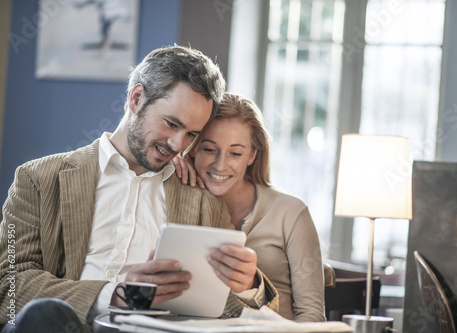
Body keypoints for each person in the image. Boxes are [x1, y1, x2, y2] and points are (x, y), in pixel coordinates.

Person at [0, 46, 278, 332]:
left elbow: (225, 309)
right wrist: (119, 295)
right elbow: (8, 287)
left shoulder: (202, 199)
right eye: (171, 124)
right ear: (136, 98)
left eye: (192, 134)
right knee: (44, 315)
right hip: (64, 325)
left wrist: (247, 286)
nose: (178, 145)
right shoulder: (39, 179)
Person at [172, 93, 325, 322]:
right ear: (193, 148)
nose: (220, 165)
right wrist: (165, 168)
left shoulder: (291, 213)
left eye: (235, 153)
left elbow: (311, 315)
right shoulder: (176, 199)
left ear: (252, 154)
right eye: (209, 149)